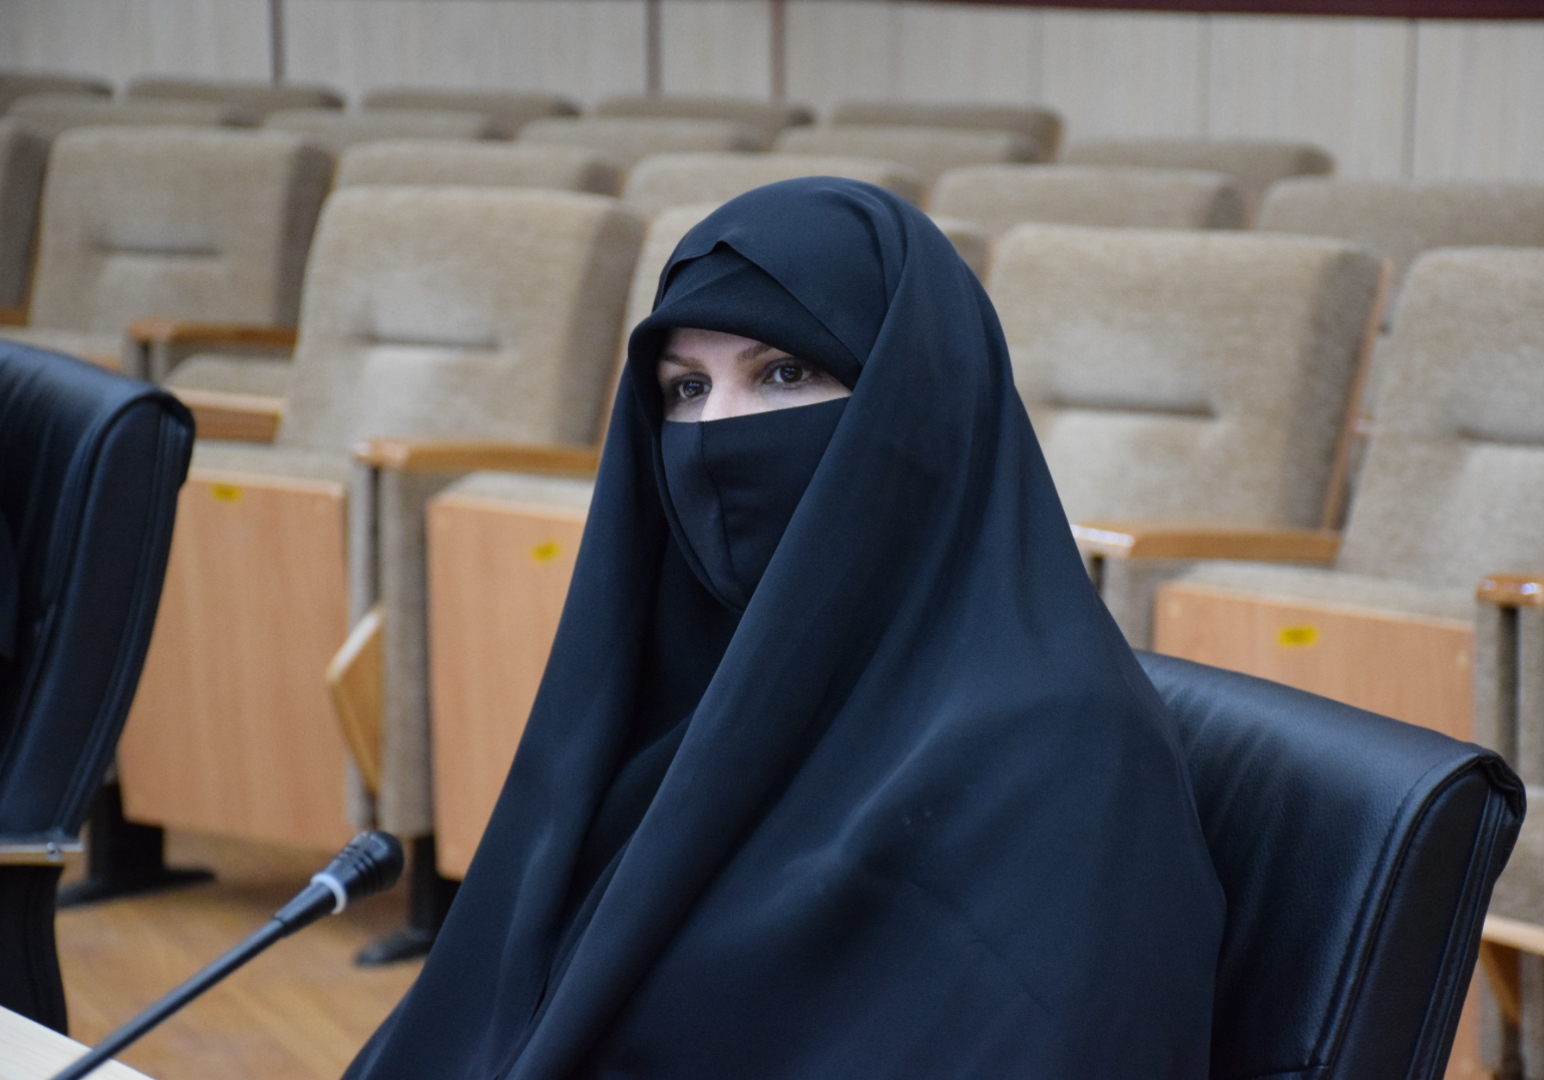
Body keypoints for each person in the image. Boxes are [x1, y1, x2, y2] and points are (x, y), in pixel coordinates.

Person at [344, 178, 1224, 1079]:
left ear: (913, 402)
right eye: (687, 387)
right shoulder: (682, 695)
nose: (715, 432)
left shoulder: (1061, 748)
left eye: (783, 373)